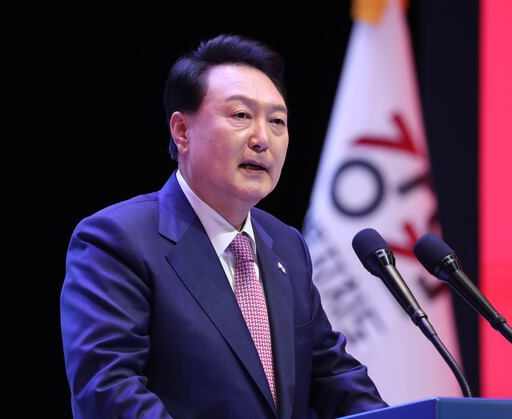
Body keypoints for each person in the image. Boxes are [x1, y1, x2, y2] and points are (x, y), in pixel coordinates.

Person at [61, 34, 387, 419]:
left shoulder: (286, 246)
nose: (262, 139)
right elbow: (110, 391)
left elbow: (334, 377)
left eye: (277, 121)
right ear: (182, 131)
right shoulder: (118, 240)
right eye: (241, 116)